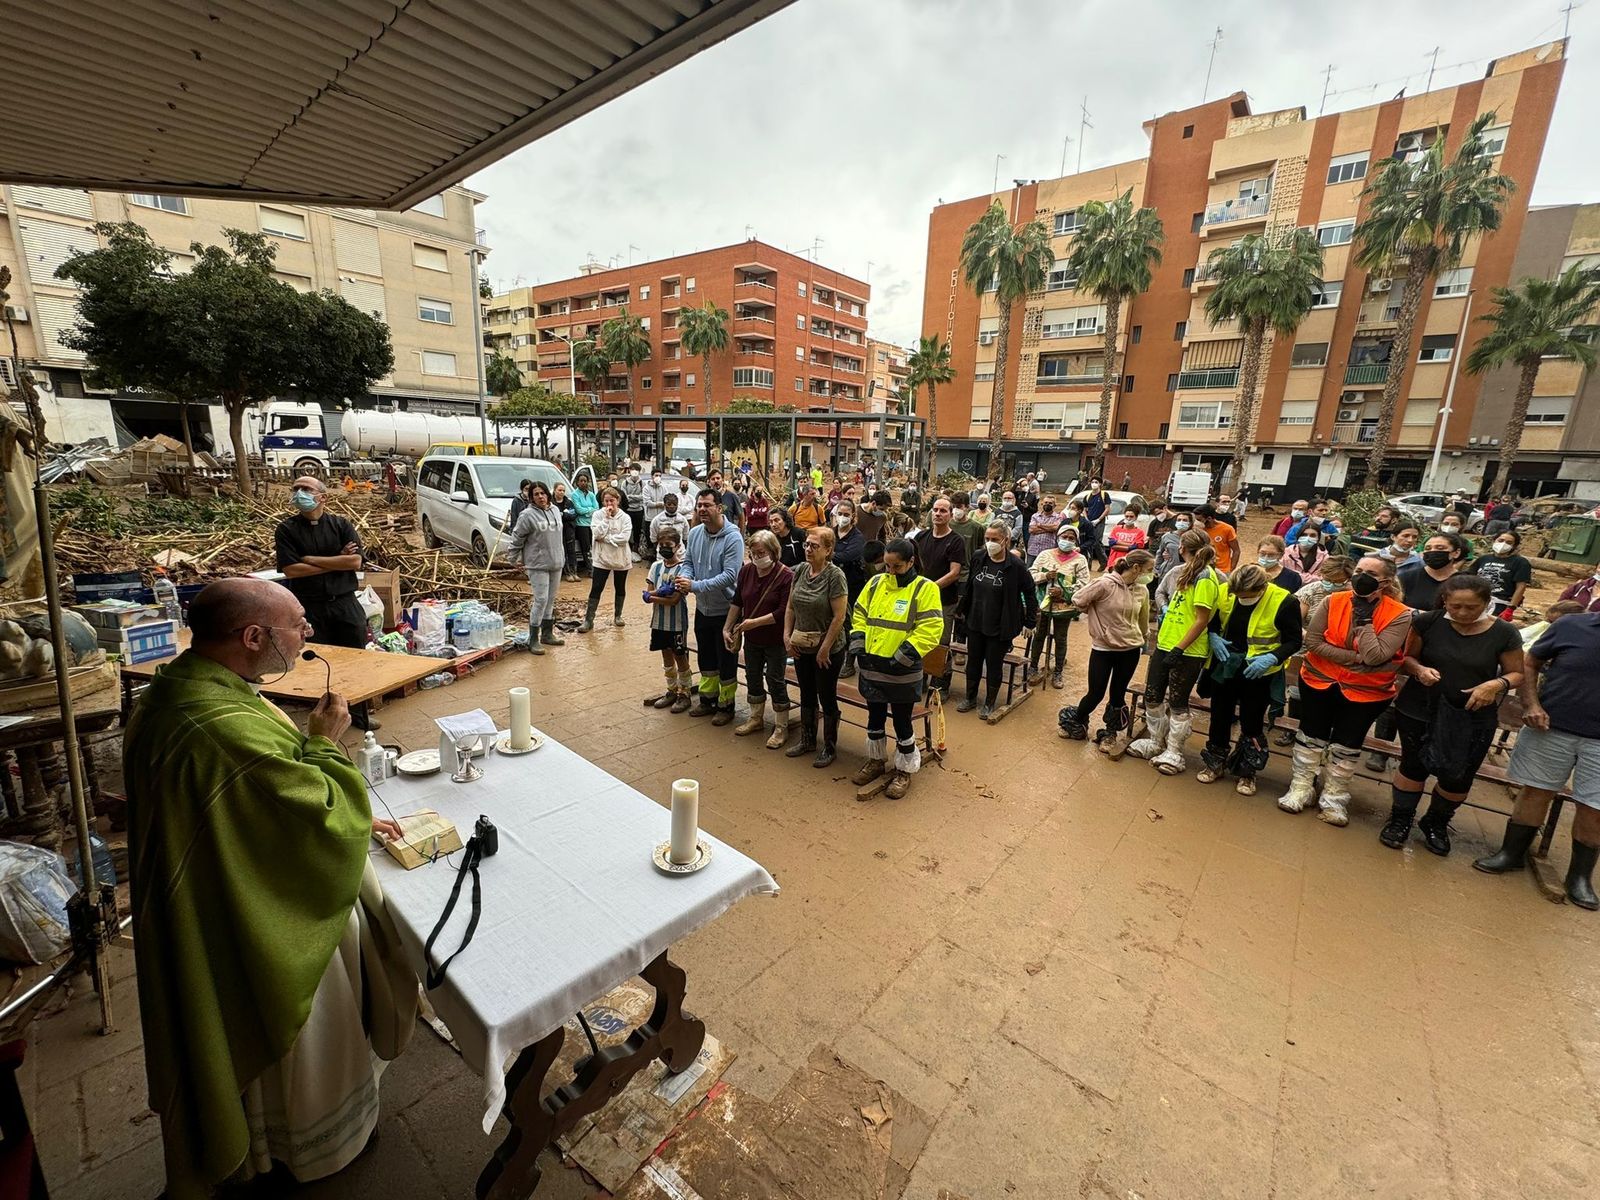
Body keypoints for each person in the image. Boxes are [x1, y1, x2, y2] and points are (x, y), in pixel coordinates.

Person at [123, 578, 415, 1196]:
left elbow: (256, 805)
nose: (308, 633)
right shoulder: (218, 725)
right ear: (254, 636)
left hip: (223, 896)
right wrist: (325, 744)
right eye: (298, 623)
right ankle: (313, 1148)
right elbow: (317, 815)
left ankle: (261, 1146)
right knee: (311, 1040)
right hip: (267, 918)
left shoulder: (185, 688)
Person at [1378, 575, 1523, 854]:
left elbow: (1516, 673)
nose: (1463, 613)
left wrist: (1495, 684)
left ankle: (1436, 822)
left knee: (1458, 775)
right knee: (1413, 765)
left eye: (1472, 607)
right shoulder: (1428, 622)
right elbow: (1407, 658)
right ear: (1445, 601)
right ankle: (1401, 819)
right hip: (1421, 705)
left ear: (1486, 603)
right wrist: (1419, 670)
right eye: (1456, 607)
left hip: (1472, 713)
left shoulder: (1504, 632)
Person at [1475, 607, 1600, 909]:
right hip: (1550, 726)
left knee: (1594, 807)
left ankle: (1579, 877)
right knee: (1534, 792)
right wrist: (1530, 703)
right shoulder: (1571, 625)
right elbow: (1530, 663)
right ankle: (1512, 854)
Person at [1278, 556, 1413, 826]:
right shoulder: (1333, 600)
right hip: (1319, 681)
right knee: (1311, 735)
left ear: (1385, 581)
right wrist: (1354, 658)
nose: (1361, 577)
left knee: (1347, 743)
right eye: (1359, 571)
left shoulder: (1399, 613)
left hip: (1366, 692)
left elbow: (1376, 656)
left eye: (1370, 573)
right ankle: (1301, 788)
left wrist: (1364, 619)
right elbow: (1314, 642)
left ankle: (1334, 799)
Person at [273, 476, 378, 731]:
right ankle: (322, 721)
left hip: (344, 603)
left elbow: (354, 563)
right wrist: (335, 559)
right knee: (318, 662)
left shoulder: (341, 525)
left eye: (306, 489)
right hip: (310, 607)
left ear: (323, 497)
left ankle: (359, 717)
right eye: (296, 489)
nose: (299, 493)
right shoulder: (286, 530)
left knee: (355, 660)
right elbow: (291, 570)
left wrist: (310, 559)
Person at [849, 538, 945, 799]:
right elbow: (859, 613)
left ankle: (904, 770)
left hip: (902, 669)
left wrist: (903, 656)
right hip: (872, 665)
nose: (890, 571)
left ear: (911, 562)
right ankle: (876, 760)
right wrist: (858, 643)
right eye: (887, 565)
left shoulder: (925, 589)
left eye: (897, 566)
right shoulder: (875, 583)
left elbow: (931, 629)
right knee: (874, 717)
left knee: (902, 722)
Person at [1197, 564, 1303, 795]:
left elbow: (1294, 640)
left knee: (1251, 721)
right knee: (1220, 715)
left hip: (1259, 671)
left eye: (1247, 596)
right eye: (1238, 595)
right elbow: (1213, 621)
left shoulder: (1284, 601)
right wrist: (1214, 635)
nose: (1241, 599)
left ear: (1262, 587)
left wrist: (1272, 658)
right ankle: (1215, 761)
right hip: (1226, 665)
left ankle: (1247, 771)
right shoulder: (1227, 591)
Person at [1128, 529, 1221, 775]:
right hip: (1165, 642)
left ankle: (1174, 751)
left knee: (1178, 701)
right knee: (1152, 694)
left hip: (1188, 650)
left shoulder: (1206, 578)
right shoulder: (1179, 572)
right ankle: (1155, 741)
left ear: (1183, 548)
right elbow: (1162, 593)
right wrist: (1165, 609)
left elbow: (1202, 619)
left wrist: (1179, 649)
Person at [1059, 549, 1154, 752]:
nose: (1151, 574)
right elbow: (1078, 600)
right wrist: (1095, 617)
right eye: (1149, 569)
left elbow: (1143, 620)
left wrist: (1143, 640)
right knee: (1095, 693)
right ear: (1136, 568)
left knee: (1118, 695)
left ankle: (1110, 733)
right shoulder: (1105, 583)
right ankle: (1076, 720)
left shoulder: (1142, 590)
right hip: (1103, 648)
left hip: (1130, 650)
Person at [956, 521, 1039, 719]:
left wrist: (1030, 622)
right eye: (987, 539)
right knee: (973, 662)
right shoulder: (979, 557)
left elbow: (1030, 593)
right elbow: (969, 586)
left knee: (993, 665)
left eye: (994, 539)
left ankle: (989, 702)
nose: (990, 543)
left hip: (1000, 624)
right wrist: (962, 612)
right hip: (976, 620)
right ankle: (970, 697)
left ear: (1005, 540)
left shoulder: (1016, 566)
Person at [679, 487, 746, 724]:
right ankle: (707, 700)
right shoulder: (696, 533)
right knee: (706, 656)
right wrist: (684, 577)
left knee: (726, 659)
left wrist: (695, 586)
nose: (702, 510)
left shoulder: (733, 537)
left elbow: (730, 576)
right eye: (699, 505)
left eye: (707, 505)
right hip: (703, 608)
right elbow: (687, 562)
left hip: (727, 610)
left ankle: (726, 706)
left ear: (720, 508)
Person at [785, 525, 849, 765]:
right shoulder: (801, 570)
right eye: (806, 544)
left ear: (828, 549)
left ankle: (829, 747)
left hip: (828, 649)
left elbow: (839, 617)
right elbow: (790, 607)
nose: (808, 550)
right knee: (806, 691)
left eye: (814, 546)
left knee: (826, 695)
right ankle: (807, 739)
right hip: (802, 644)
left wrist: (825, 648)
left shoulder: (835, 576)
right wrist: (786, 636)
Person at [726, 530, 795, 745]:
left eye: (761, 552)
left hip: (775, 639)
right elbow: (737, 601)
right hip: (752, 638)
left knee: (775, 680)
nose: (757, 557)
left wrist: (753, 622)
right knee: (752, 676)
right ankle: (755, 718)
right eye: (753, 552)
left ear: (773, 552)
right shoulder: (746, 571)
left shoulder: (786, 576)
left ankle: (781, 726)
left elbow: (783, 611)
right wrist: (727, 627)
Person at [914, 497, 967, 697]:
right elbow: (913, 565)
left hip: (944, 601)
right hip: (920, 600)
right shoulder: (921, 537)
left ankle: (941, 684)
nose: (937, 513)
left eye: (943, 511)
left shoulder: (955, 541)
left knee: (941, 643)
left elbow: (955, 573)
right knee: (920, 639)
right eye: (935, 510)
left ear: (951, 515)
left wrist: (930, 588)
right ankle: (921, 680)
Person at [1029, 522, 1092, 689]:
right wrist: (1045, 575)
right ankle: (1033, 667)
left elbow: (1084, 583)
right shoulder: (1044, 555)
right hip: (1043, 603)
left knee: (1061, 637)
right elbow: (1031, 574)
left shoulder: (1080, 560)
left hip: (1065, 606)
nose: (1067, 540)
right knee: (1039, 635)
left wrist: (1063, 593)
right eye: (1064, 537)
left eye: (1071, 538)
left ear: (1076, 541)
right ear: (1058, 538)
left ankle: (1057, 671)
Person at [507, 481, 566, 655]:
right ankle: (533, 639)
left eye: (542, 493)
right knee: (540, 599)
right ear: (531, 497)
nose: (540, 497)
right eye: (536, 494)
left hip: (556, 562)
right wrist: (513, 558)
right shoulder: (527, 515)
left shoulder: (555, 510)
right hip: (537, 564)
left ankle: (547, 634)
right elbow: (517, 537)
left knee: (551, 599)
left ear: (548, 494)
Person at [642, 527, 694, 713]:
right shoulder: (655, 567)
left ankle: (685, 692)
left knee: (679, 654)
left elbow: (673, 600)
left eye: (668, 545)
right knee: (665, 654)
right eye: (661, 545)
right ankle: (671, 689)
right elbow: (648, 593)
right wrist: (659, 593)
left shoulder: (682, 570)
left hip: (677, 621)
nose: (664, 548)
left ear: (678, 546)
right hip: (658, 621)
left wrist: (653, 596)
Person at [580, 486, 633, 633]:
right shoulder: (598, 515)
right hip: (601, 558)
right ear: (603, 502)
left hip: (620, 558)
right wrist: (606, 519)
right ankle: (589, 620)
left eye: (612, 500)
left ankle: (618, 616)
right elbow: (596, 534)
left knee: (620, 586)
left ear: (618, 500)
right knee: (596, 588)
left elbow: (624, 538)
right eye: (606, 501)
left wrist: (607, 539)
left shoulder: (625, 517)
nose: (610, 504)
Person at [1397, 531, 1468, 611]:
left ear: (1456, 553)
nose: (1432, 551)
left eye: (1440, 548)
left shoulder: (1466, 582)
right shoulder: (1406, 577)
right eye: (1428, 548)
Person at [1472, 528, 1533, 619]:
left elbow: (1521, 587)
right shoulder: (1483, 559)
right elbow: (1469, 578)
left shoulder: (1520, 562)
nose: (1503, 544)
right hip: (1476, 600)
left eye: (1509, 543)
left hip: (1500, 603)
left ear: (1514, 546)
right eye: (1501, 540)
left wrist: (1510, 608)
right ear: (1494, 540)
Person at [1195, 503, 1239, 573]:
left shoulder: (1227, 529)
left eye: (1199, 520)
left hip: (1222, 570)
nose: (1196, 522)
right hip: (1201, 569)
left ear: (1209, 518)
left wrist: (1231, 569)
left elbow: (1236, 550)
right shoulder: (1197, 530)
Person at [1104, 504, 1148, 572]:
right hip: (1113, 562)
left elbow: (1135, 547)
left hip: (1129, 563)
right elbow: (1112, 544)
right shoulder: (1116, 529)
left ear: (1136, 517)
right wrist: (1130, 545)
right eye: (1126, 516)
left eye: (1131, 516)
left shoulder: (1140, 532)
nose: (1128, 518)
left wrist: (1118, 543)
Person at [570, 472, 599, 571]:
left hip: (592, 524)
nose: (583, 483)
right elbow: (579, 510)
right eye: (581, 481)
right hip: (581, 525)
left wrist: (587, 512)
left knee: (594, 546)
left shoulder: (591, 494)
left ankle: (596, 566)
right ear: (577, 483)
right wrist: (590, 511)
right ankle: (589, 569)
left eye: (585, 481)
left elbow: (597, 508)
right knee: (585, 548)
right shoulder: (574, 495)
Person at [649, 489, 690, 556]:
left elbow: (685, 538)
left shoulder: (683, 520)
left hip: (680, 554)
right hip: (662, 556)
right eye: (669, 504)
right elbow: (654, 539)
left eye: (674, 504)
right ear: (664, 504)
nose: (672, 506)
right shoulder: (656, 520)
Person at [703, 469, 745, 534]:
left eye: (718, 478)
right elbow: (696, 517)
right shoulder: (703, 497)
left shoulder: (732, 496)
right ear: (709, 482)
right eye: (713, 479)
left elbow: (741, 517)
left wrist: (739, 535)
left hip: (727, 535)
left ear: (722, 480)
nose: (716, 481)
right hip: (708, 535)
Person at [553, 481, 580, 581]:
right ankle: (567, 573)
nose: (561, 492)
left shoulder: (568, 502)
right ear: (555, 490)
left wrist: (563, 515)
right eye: (559, 490)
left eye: (563, 490)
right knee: (562, 551)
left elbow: (573, 515)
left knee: (571, 550)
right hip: (557, 531)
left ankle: (574, 572)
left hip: (569, 530)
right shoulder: (551, 503)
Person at [949, 490, 985, 561]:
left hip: (967, 570)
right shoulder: (947, 525)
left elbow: (981, 550)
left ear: (967, 507)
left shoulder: (977, 528)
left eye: (959, 507)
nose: (955, 509)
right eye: (953, 506)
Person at [1154, 510, 1191, 580]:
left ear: (1190, 523)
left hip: (1186, 573)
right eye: (1179, 520)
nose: (1181, 522)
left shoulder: (1195, 537)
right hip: (1168, 572)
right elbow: (1160, 553)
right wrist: (1157, 569)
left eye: (1185, 520)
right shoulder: (1167, 536)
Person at [642, 467, 669, 557]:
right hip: (650, 517)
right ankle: (651, 556)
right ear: (652, 476)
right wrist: (659, 504)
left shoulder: (664, 488)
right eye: (656, 475)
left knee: (661, 537)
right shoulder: (646, 488)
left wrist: (662, 504)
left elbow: (667, 500)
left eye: (659, 476)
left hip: (661, 517)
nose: (658, 477)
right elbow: (647, 502)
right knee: (651, 538)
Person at [621, 462, 646, 552]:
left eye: (636, 470)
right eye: (633, 470)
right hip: (628, 510)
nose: (634, 472)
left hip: (639, 510)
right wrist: (636, 498)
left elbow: (643, 497)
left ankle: (636, 547)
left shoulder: (642, 483)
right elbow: (624, 497)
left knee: (637, 530)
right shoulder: (625, 483)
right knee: (628, 529)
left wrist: (631, 496)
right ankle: (628, 547)